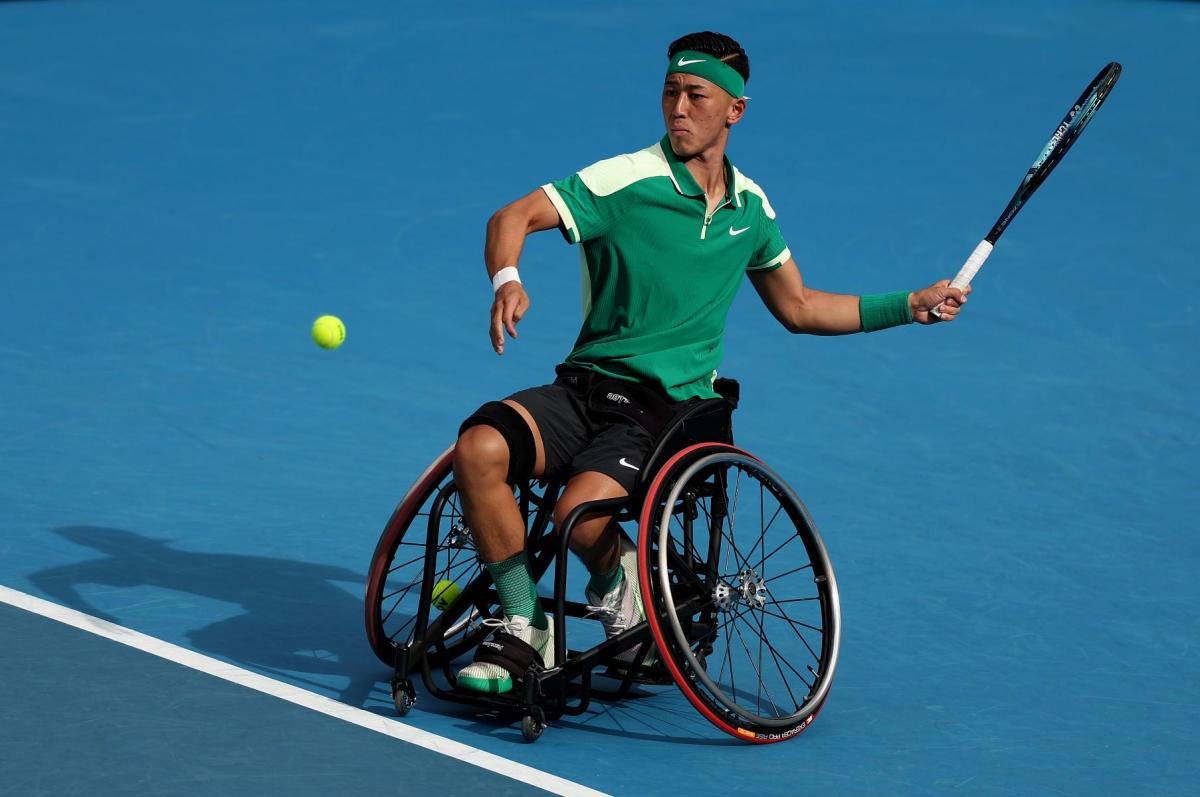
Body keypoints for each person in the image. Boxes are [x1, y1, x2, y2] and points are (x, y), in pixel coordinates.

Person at [452, 31, 969, 694]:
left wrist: (911, 304)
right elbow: (512, 215)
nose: (678, 108)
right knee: (479, 448)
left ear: (735, 111)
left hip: (662, 412)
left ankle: (623, 589)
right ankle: (525, 624)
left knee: (576, 516)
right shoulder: (627, 181)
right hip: (582, 388)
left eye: (696, 95)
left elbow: (802, 306)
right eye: (670, 92)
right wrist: (507, 279)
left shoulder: (751, 211)